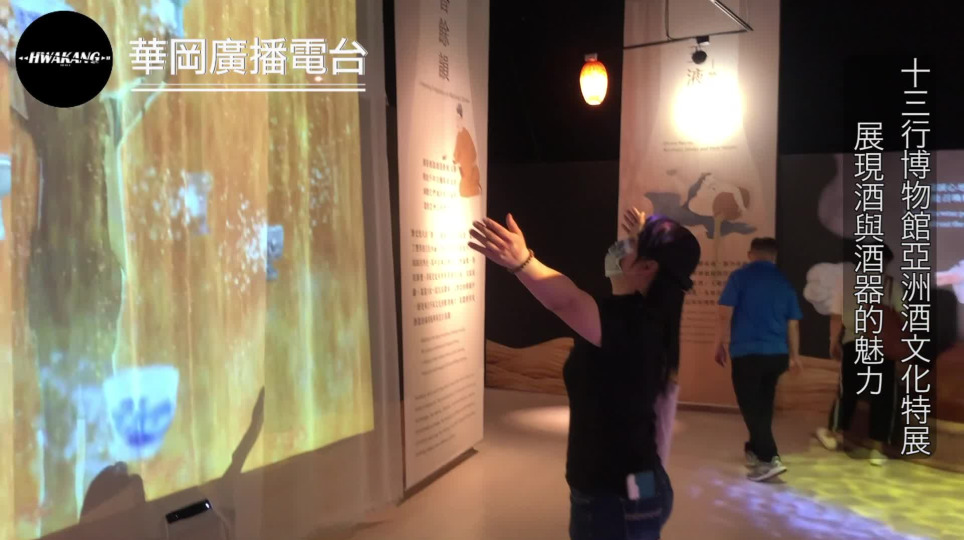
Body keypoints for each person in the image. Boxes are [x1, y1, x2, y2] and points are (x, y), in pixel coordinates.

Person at [470, 213, 700, 540]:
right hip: (639, 484)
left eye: (632, 243)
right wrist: (645, 232)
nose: (621, 247)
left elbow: (567, 301)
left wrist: (522, 261)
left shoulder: (631, 323)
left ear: (648, 266)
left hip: (616, 498)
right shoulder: (650, 318)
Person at [715, 237, 803, 482]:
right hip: (777, 354)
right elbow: (793, 324)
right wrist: (795, 356)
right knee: (763, 404)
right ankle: (754, 448)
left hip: (747, 353)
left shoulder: (740, 277)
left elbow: (724, 313)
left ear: (750, 254)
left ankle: (769, 458)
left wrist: (718, 343)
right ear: (774, 256)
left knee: (751, 406)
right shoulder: (784, 282)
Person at [815, 242, 904, 466]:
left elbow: (836, 318)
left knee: (847, 392)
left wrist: (833, 343)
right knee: (883, 397)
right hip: (882, 348)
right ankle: (878, 449)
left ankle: (834, 434)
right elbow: (903, 318)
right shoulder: (892, 285)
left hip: (854, 343)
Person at [608, 208, 680, 466]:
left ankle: (643, 488)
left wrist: (635, 236)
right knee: (644, 442)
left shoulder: (658, 287)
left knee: (648, 444)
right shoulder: (631, 289)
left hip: (651, 369)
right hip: (642, 367)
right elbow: (612, 259)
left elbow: (613, 260)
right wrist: (633, 236)